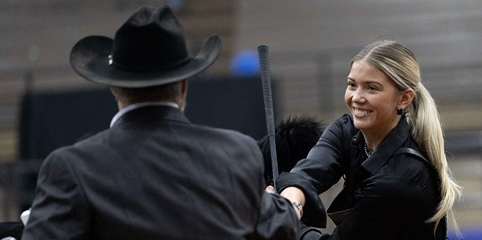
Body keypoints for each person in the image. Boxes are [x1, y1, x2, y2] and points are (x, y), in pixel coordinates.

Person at [22, 5, 298, 240]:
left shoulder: (71, 169)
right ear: (184, 86)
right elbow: (278, 227)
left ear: (113, 87)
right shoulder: (238, 153)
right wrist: (289, 201)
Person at [275, 40, 462, 239]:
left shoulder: (400, 179)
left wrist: (282, 221)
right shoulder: (346, 129)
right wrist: (288, 203)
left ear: (404, 98)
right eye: (352, 85)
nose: (356, 97)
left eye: (371, 88)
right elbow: (310, 171)